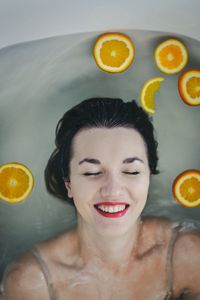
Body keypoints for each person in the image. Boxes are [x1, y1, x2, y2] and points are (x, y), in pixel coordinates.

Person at [1, 98, 200, 300]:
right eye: (92, 172)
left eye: (131, 171)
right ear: (68, 183)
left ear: (148, 177)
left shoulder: (184, 256)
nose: (112, 190)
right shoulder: (33, 280)